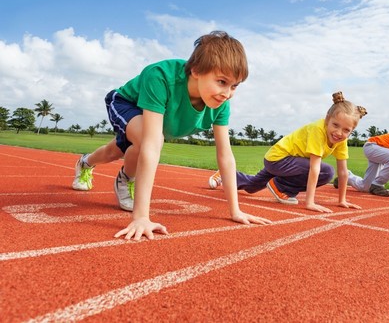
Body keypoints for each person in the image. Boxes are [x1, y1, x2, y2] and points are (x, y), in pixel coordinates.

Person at [71, 30, 271, 240]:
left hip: (153, 121)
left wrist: (235, 211)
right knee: (147, 142)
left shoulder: (221, 104)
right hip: (126, 102)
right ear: (196, 70)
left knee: (115, 151)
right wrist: (141, 217)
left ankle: (85, 163)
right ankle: (126, 179)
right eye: (221, 81)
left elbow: (225, 156)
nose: (227, 93)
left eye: (234, 86)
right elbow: (151, 144)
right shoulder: (160, 77)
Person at [209, 92, 367, 213]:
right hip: (278, 159)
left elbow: (344, 172)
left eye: (346, 130)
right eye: (335, 125)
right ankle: (281, 187)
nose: (339, 132)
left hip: (291, 164)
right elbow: (314, 168)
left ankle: (224, 175)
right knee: (326, 172)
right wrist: (309, 202)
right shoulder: (317, 130)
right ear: (327, 119)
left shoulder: (341, 139)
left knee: (252, 187)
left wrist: (342, 200)